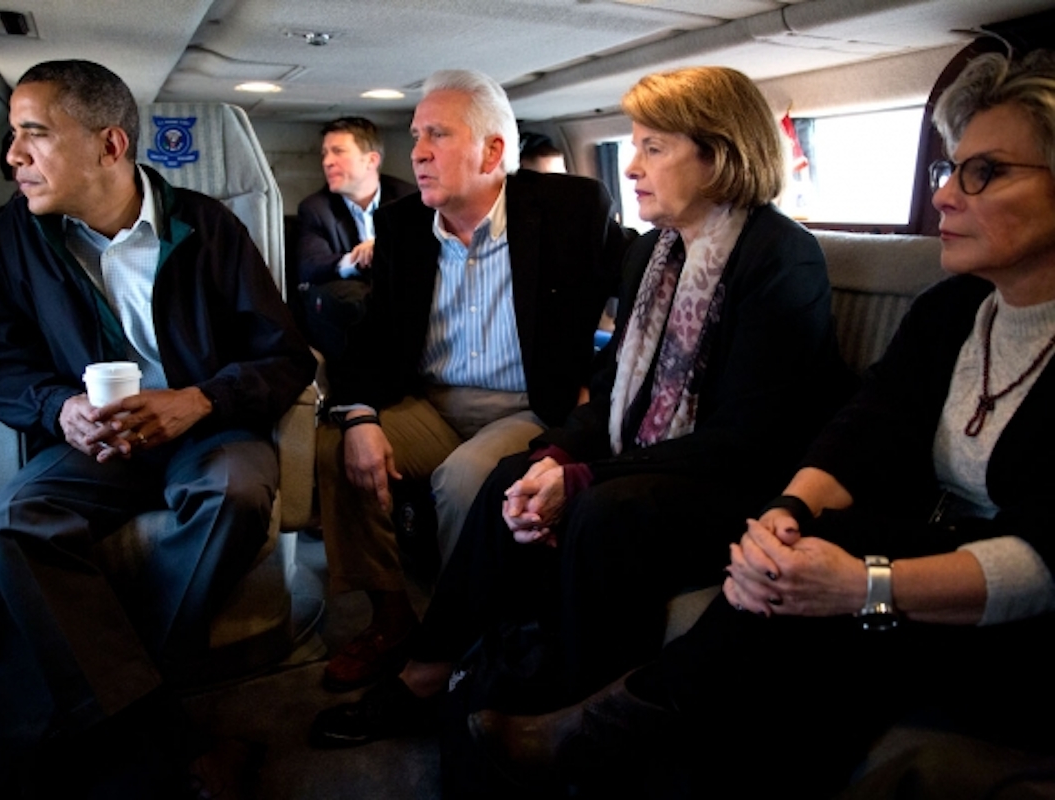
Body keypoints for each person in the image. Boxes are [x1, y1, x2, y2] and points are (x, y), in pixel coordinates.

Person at [469, 50, 1055, 799]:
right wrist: (788, 513)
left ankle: (597, 738)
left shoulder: (780, 257)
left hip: (1020, 608)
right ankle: (559, 711)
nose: (944, 198)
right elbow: (863, 429)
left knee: (784, 606)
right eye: (949, 171)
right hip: (919, 535)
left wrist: (865, 585)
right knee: (777, 560)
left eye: (985, 172)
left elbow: (1048, 555)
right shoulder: (954, 309)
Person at [310, 65, 851, 749]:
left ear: (718, 156)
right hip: (652, 454)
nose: (631, 168)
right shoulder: (655, 253)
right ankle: (431, 667)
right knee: (518, 474)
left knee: (599, 506)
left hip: (744, 480)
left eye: (653, 148)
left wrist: (584, 475)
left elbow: (747, 436)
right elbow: (620, 381)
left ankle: (560, 701)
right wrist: (561, 453)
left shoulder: (781, 257)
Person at [0, 59, 315, 795]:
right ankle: (160, 728)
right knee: (3, 525)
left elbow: (285, 359)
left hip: (207, 429)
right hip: (96, 444)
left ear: (109, 146)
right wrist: (59, 407)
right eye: (11, 137)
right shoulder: (14, 241)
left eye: (33, 135)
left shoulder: (209, 228)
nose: (13, 157)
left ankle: (113, 709)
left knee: (234, 494)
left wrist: (201, 399)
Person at [316, 69, 628, 693]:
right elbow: (371, 340)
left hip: (526, 405)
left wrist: (599, 384)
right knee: (332, 450)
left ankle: (465, 643)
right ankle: (394, 619)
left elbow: (643, 302)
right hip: (428, 401)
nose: (419, 152)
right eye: (414, 137)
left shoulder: (570, 210)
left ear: (493, 152)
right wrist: (360, 417)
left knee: (464, 480)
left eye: (438, 134)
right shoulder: (404, 227)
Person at [296, 117, 416, 362]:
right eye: (325, 154)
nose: (327, 162)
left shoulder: (409, 199)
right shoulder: (316, 208)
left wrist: (381, 248)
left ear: (371, 160)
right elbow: (309, 265)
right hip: (352, 309)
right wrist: (354, 259)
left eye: (338, 152)